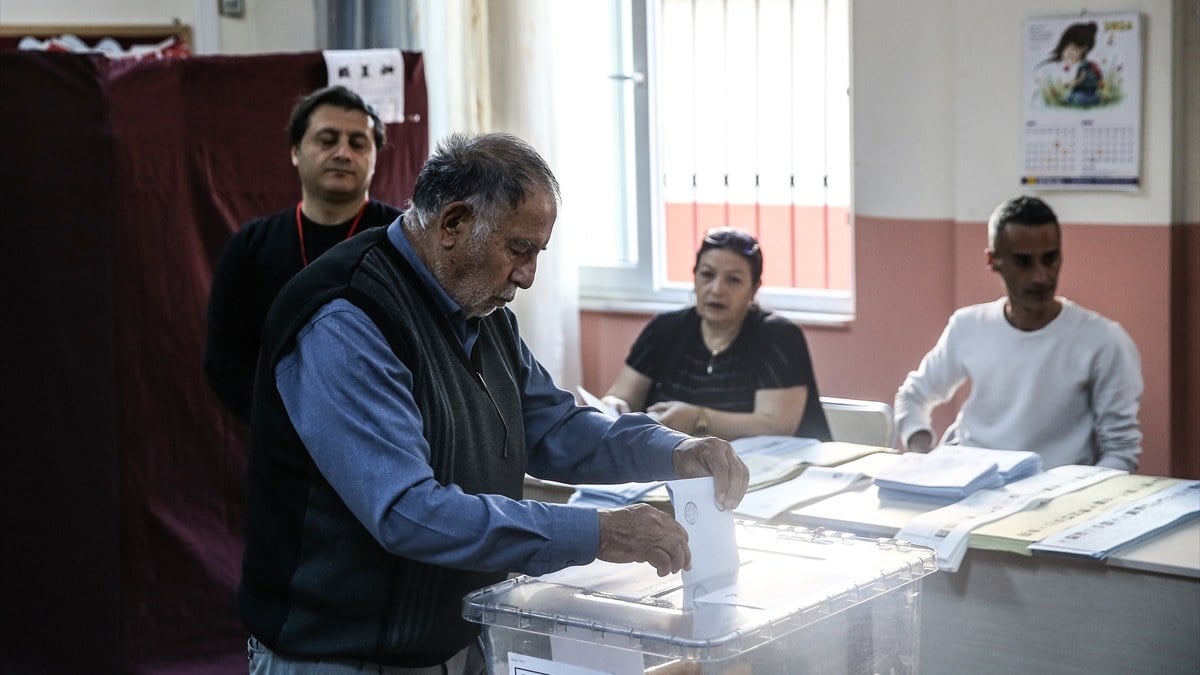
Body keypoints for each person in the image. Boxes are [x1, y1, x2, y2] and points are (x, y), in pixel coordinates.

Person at [238, 132, 749, 673]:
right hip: (339, 655)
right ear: (453, 224)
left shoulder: (481, 312)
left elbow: (555, 427)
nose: (528, 276)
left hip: (457, 639)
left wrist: (674, 450)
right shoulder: (348, 318)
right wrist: (599, 532)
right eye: (518, 249)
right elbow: (408, 512)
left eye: (538, 253)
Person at [894, 195, 1142, 471]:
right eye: (1023, 262)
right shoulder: (968, 326)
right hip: (968, 477)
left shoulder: (1104, 341)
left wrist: (1079, 493)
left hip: (1053, 487)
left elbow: (1121, 451)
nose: (1040, 276)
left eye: (1050, 259)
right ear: (993, 261)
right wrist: (924, 456)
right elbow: (913, 396)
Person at [204, 85, 403, 424]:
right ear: (296, 151)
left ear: (374, 157)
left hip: (386, 431)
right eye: (327, 140)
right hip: (279, 437)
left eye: (358, 143)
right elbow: (225, 358)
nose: (343, 153)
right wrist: (284, 423)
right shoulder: (250, 246)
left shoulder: (404, 242)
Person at [602, 227, 832, 442]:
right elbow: (622, 397)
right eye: (707, 274)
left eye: (733, 280)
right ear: (694, 277)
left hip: (770, 464)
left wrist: (699, 418)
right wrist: (612, 406)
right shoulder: (664, 328)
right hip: (674, 461)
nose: (716, 289)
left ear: (754, 288)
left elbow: (776, 424)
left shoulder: (779, 336)